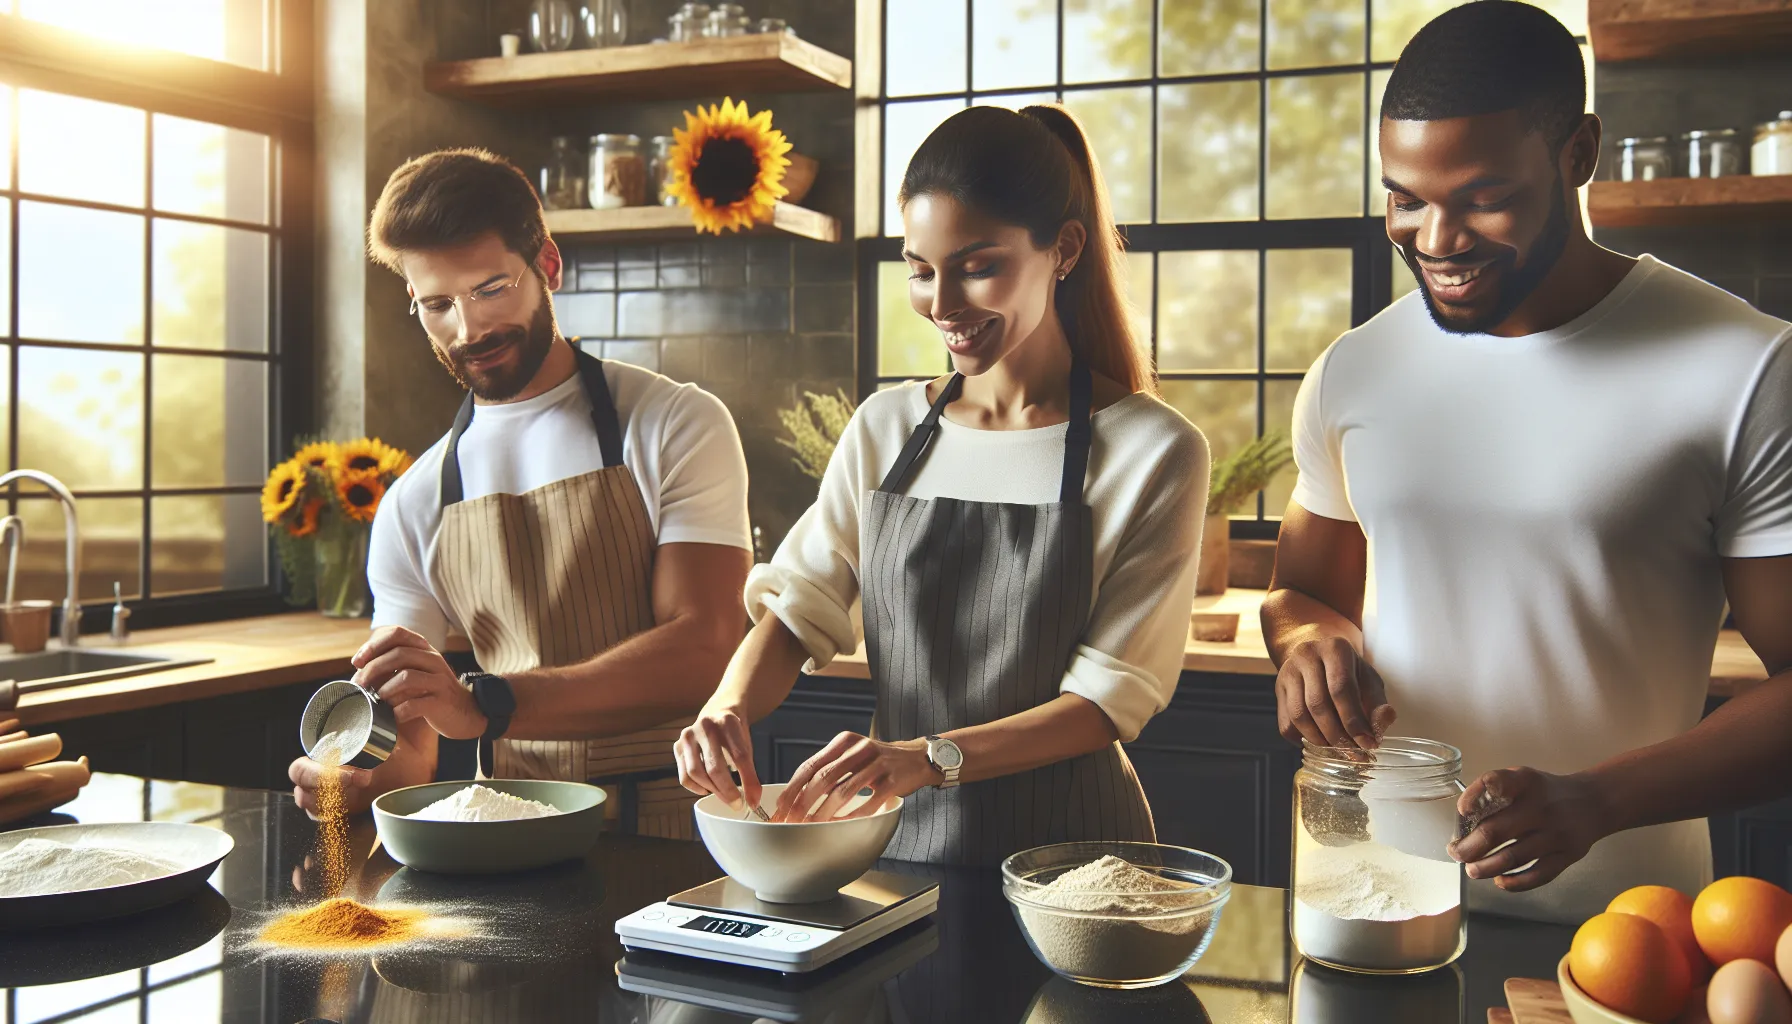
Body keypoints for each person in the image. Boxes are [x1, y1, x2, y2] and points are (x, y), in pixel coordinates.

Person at [1265, 0, 1792, 922]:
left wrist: (1598, 799)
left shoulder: (1746, 367)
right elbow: (1304, 596)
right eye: (1406, 198)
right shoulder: (1356, 368)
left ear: (1578, 155)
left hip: (1627, 931)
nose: (1436, 240)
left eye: (1484, 198)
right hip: (1376, 904)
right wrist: (1312, 645)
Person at [674, 104, 1210, 864]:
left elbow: (1104, 704)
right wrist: (725, 708)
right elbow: (799, 610)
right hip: (898, 847)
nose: (944, 305)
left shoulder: (1154, 451)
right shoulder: (886, 429)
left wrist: (927, 758)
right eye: (922, 271)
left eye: (978, 266)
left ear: (1063, 249)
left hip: (1077, 863)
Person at [288, 149, 753, 839]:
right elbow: (411, 745)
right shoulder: (415, 500)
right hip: (505, 839)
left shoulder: (676, 423)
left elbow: (704, 648)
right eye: (438, 305)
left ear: (550, 268)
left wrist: (486, 704)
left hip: (678, 832)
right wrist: (354, 779)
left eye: (491, 288)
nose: (469, 330)